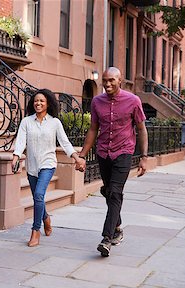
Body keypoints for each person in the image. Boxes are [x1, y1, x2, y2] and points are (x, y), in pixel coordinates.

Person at [78, 67, 148, 257]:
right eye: (105, 80)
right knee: (109, 191)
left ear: (120, 80)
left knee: (115, 193)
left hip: (124, 152)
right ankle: (117, 227)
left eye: (111, 80)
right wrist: (83, 154)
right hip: (103, 153)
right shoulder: (96, 101)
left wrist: (143, 157)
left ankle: (107, 238)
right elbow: (93, 129)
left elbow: (141, 129)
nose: (108, 84)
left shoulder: (133, 101)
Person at [12, 89, 86, 247]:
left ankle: (35, 231)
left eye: (42, 101)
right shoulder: (26, 122)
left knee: (39, 194)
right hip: (32, 166)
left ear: (48, 104)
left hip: (48, 164)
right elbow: (20, 141)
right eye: (36, 101)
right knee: (37, 198)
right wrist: (16, 156)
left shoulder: (54, 123)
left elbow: (65, 142)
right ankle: (45, 218)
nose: (38, 103)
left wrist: (77, 158)